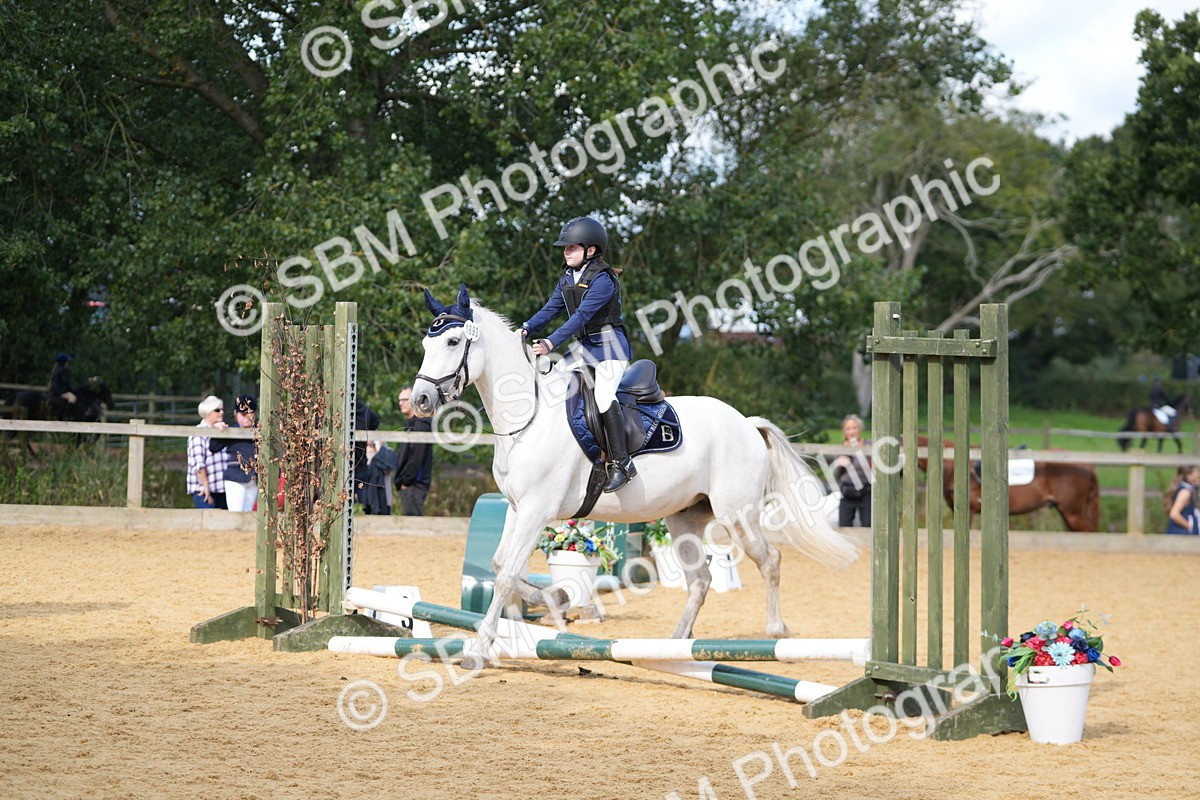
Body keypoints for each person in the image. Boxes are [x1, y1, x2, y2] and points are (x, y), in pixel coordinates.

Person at [518, 215, 635, 492]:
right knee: (552, 382)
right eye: (565, 248)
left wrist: (550, 343)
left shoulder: (604, 281)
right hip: (585, 347)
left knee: (604, 397)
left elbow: (581, 316)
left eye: (571, 247)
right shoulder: (568, 277)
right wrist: (524, 329)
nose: (566, 252)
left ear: (590, 250)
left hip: (610, 348)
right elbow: (551, 309)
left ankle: (622, 463)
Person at [210, 395, 258, 512]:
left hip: (253, 479)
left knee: (249, 515)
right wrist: (216, 428)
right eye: (243, 414)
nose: (248, 418)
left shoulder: (260, 430)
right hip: (235, 478)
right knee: (236, 513)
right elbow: (213, 447)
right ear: (236, 414)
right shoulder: (231, 429)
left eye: (250, 414)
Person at [394, 386, 433, 515]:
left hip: (414, 485)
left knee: (414, 526)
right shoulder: (411, 424)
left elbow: (416, 456)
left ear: (414, 401)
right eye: (399, 400)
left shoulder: (420, 424)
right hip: (409, 485)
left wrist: (406, 481)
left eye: (404, 399)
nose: (400, 403)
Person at [187, 395, 229, 509]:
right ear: (207, 412)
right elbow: (198, 463)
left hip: (221, 489)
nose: (221, 412)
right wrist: (206, 486)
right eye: (217, 410)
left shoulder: (223, 431)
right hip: (204, 490)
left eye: (222, 409)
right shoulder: (198, 432)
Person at [832, 413, 872, 527]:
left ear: (860, 429)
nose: (851, 431)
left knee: (868, 527)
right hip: (847, 491)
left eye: (854, 428)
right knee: (844, 526)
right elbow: (836, 476)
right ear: (844, 431)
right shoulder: (841, 448)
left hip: (866, 490)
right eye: (848, 428)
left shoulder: (868, 444)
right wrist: (840, 464)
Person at [360, 439, 399, 515]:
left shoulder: (387, 453)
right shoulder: (360, 454)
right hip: (367, 501)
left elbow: (388, 466)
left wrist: (379, 448)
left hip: (385, 501)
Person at [1165, 465, 1199, 535]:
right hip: (1181, 534)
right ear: (1188, 475)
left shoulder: (1189, 489)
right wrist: (1190, 526)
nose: (1198, 474)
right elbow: (1174, 514)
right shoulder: (1185, 492)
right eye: (1196, 471)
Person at [47, 353, 77, 420]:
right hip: (59, 390)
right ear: (64, 362)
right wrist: (71, 389)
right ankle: (66, 415)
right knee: (73, 398)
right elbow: (66, 383)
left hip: (54, 389)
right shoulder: (63, 370)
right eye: (67, 362)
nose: (68, 363)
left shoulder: (55, 369)